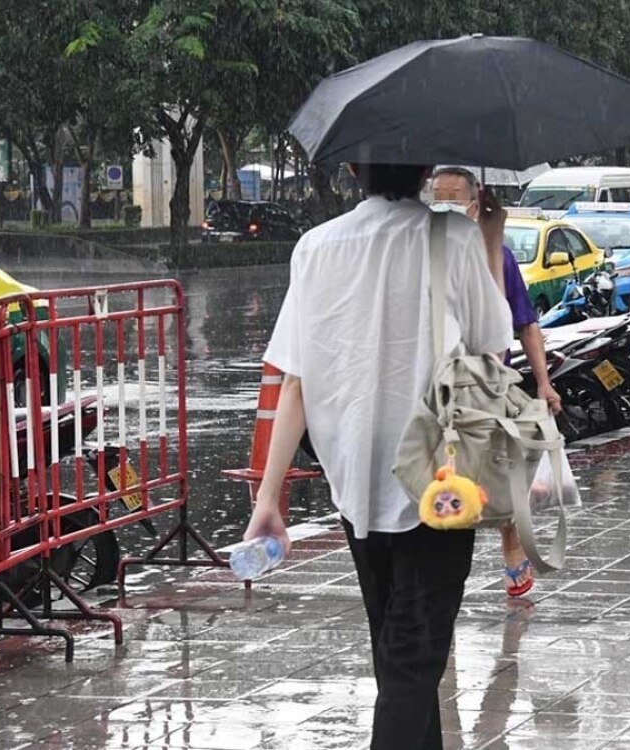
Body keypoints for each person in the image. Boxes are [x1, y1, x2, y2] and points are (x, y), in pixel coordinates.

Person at [244, 162, 512, 750]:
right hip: (441, 477)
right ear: (422, 168)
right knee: (412, 664)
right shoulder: (456, 236)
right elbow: (492, 350)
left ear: (350, 170)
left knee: (399, 652)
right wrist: (490, 237)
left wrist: (269, 498)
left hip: (355, 480)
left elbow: (295, 382)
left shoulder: (315, 247)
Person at [429, 166, 562, 598]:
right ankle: (445, 571)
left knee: (503, 474)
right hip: (440, 392)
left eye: (453, 195)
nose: (444, 203)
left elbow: (520, 323)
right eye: (437, 195)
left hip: (490, 387)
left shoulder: (498, 254)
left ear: (474, 201)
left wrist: (543, 382)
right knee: (448, 478)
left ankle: (510, 543)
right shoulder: (422, 253)